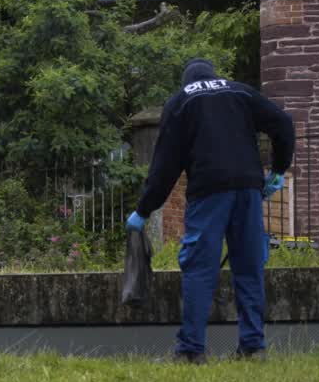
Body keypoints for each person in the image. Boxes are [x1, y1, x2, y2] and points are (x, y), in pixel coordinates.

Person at [126, 59, 295, 363]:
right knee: (249, 267)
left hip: (208, 192)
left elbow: (165, 166)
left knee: (200, 270)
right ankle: (253, 347)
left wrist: (144, 209)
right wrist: (279, 169)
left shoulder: (180, 102)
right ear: (214, 76)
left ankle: (191, 350)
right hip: (248, 190)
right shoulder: (240, 92)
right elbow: (283, 123)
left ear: (186, 80)